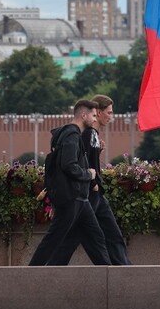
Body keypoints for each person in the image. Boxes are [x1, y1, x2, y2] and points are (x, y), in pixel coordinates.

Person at [50, 94, 132, 265]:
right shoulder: (88, 134)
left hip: (93, 194)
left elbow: (86, 160)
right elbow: (77, 164)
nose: (111, 116)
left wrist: (97, 152)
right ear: (98, 112)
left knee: (103, 235)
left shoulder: (92, 135)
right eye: (108, 112)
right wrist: (92, 182)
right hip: (89, 194)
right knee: (82, 237)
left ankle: (122, 271)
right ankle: (119, 273)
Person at [28, 99, 111, 266]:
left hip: (80, 199)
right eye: (93, 115)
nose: (95, 119)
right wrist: (88, 174)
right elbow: (69, 165)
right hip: (72, 198)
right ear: (83, 114)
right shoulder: (71, 135)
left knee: (96, 237)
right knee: (54, 239)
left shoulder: (70, 135)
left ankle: (109, 277)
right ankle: (31, 274)